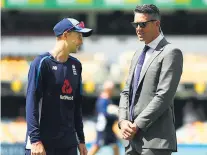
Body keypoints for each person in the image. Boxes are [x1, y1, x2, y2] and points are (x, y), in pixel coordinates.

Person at [118, 4, 183, 155]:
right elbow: (126, 92)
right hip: (131, 141)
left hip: (155, 142)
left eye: (143, 24)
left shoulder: (171, 52)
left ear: (157, 24)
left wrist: (137, 125)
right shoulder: (137, 54)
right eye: (136, 24)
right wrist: (123, 121)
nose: (138, 28)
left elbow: (164, 96)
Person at [25, 18, 93, 155]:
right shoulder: (41, 63)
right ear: (66, 35)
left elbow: (77, 105)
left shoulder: (76, 65)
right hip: (42, 144)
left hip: (68, 144)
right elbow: (32, 102)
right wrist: (35, 140)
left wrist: (81, 139)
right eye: (78, 36)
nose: (81, 41)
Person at [88, 81, 119, 155]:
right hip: (103, 128)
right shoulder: (103, 100)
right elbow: (103, 114)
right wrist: (115, 116)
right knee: (97, 145)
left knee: (115, 146)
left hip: (108, 128)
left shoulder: (108, 99)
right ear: (108, 89)